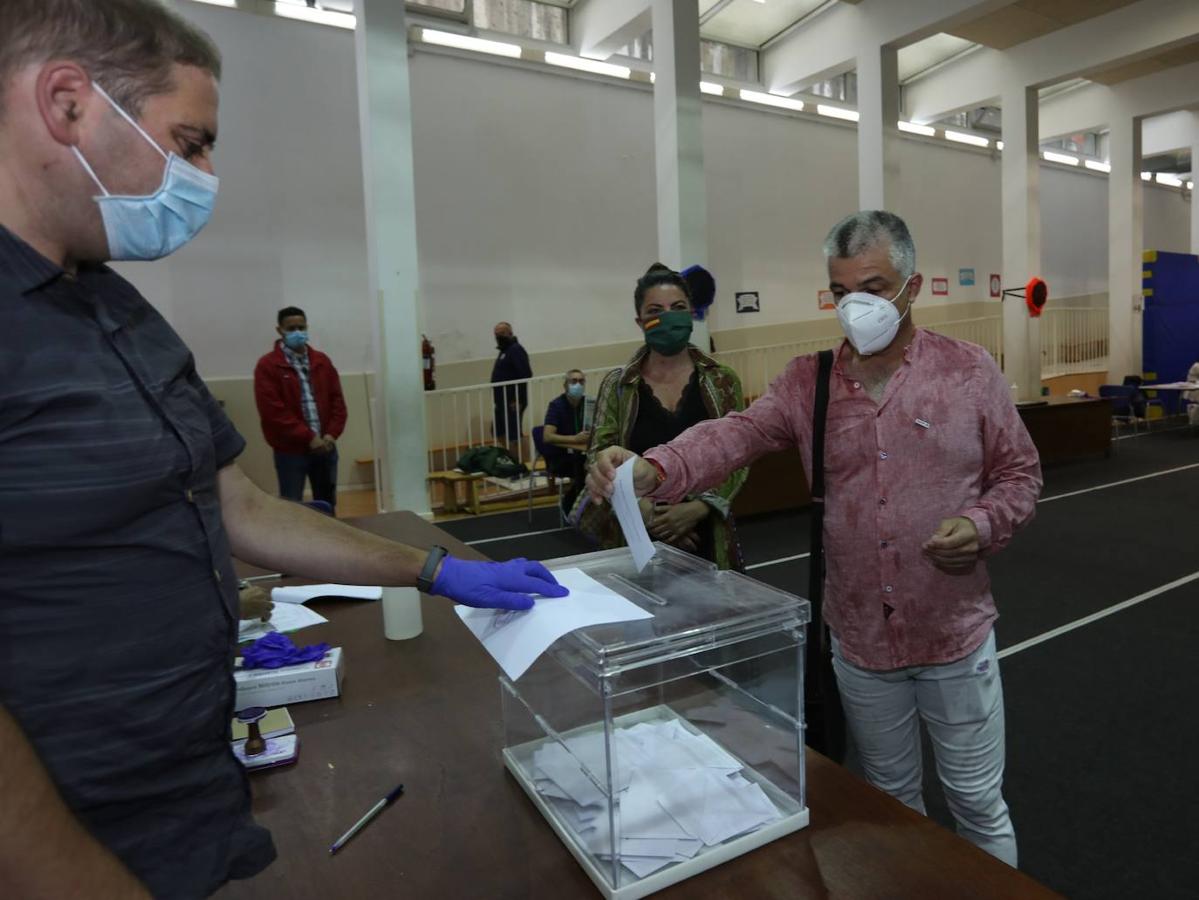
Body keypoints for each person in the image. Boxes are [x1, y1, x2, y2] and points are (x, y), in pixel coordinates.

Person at [0, 3, 565, 898]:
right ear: (68, 103)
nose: (204, 176)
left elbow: (239, 509)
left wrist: (430, 570)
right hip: (68, 845)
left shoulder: (117, 311)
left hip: (184, 803)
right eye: (188, 143)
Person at [587, 212, 1042, 867]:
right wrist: (656, 468)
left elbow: (1020, 475)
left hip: (953, 633)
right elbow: (735, 434)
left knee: (976, 803)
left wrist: (981, 524)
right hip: (858, 642)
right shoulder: (810, 383)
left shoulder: (967, 373)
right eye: (842, 290)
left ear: (912, 288)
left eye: (875, 286)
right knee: (890, 800)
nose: (857, 305)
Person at [579, 263, 747, 570]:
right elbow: (597, 458)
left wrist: (698, 508)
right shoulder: (618, 386)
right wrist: (646, 510)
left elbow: (739, 456)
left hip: (708, 538)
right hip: (638, 539)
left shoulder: (722, 380)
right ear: (640, 321)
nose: (668, 316)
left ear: (691, 313)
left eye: (678, 307)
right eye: (656, 309)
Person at [254, 306, 347, 511]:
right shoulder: (268, 365)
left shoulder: (322, 361)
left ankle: (329, 542)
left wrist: (331, 434)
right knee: (292, 508)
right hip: (290, 452)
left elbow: (337, 402)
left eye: (301, 327)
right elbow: (273, 413)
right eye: (291, 328)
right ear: (279, 330)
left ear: (307, 327)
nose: (297, 332)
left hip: (325, 448)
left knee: (327, 507)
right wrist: (308, 437)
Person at [542, 369, 591, 514]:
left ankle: (589, 507)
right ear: (565, 385)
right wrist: (574, 439)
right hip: (561, 456)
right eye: (573, 381)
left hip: (583, 452)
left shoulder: (588, 403)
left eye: (581, 381)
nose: (578, 384)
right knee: (584, 467)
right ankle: (571, 506)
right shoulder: (556, 406)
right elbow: (547, 436)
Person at [491, 321, 531, 456]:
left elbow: (525, 374)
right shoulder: (504, 350)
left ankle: (524, 463)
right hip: (501, 402)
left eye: (502, 333)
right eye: (496, 334)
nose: (499, 336)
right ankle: (513, 458)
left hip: (512, 402)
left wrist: (518, 399)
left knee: (514, 435)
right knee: (497, 430)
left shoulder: (515, 349)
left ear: (510, 333)